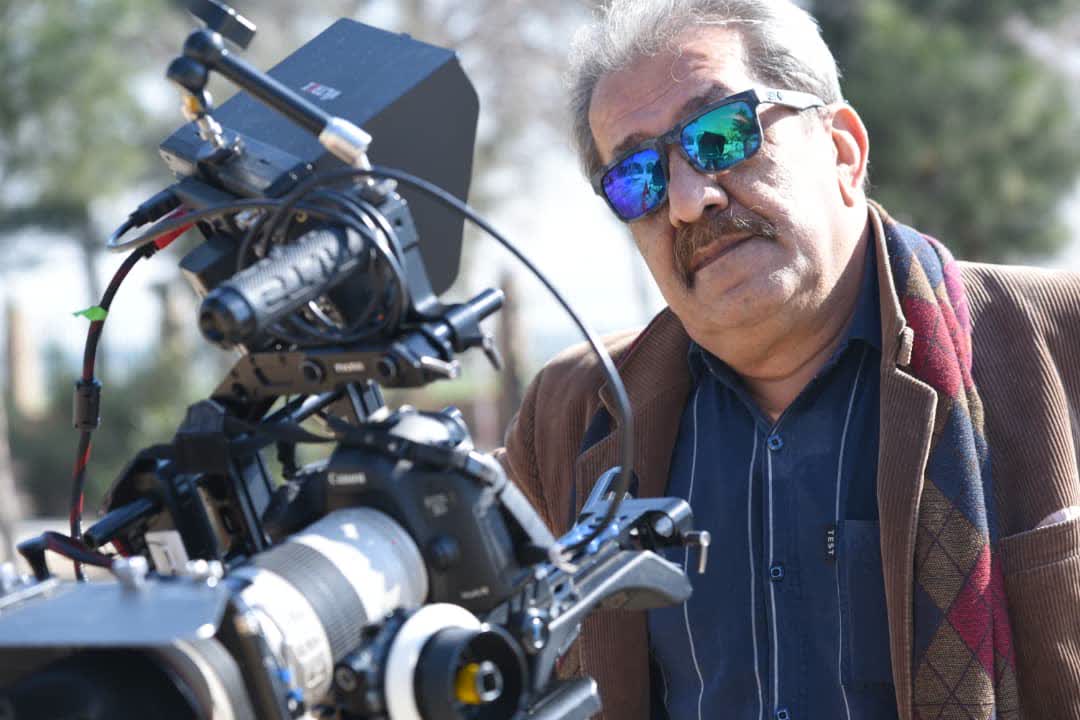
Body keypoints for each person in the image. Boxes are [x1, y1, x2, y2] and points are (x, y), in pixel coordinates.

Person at [496, 1, 1080, 719]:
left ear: (843, 149)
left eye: (720, 134)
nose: (687, 201)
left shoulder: (1058, 346)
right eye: (638, 177)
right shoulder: (569, 416)